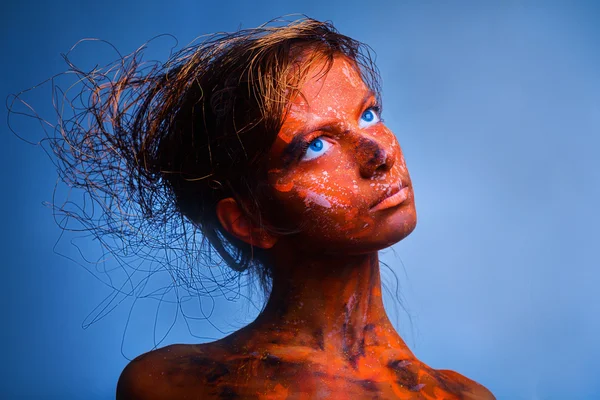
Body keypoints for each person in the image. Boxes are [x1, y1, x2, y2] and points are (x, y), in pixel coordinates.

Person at [13, 16, 494, 399]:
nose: (379, 153)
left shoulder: (462, 396)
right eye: (315, 146)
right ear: (248, 219)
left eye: (368, 114)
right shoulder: (172, 387)